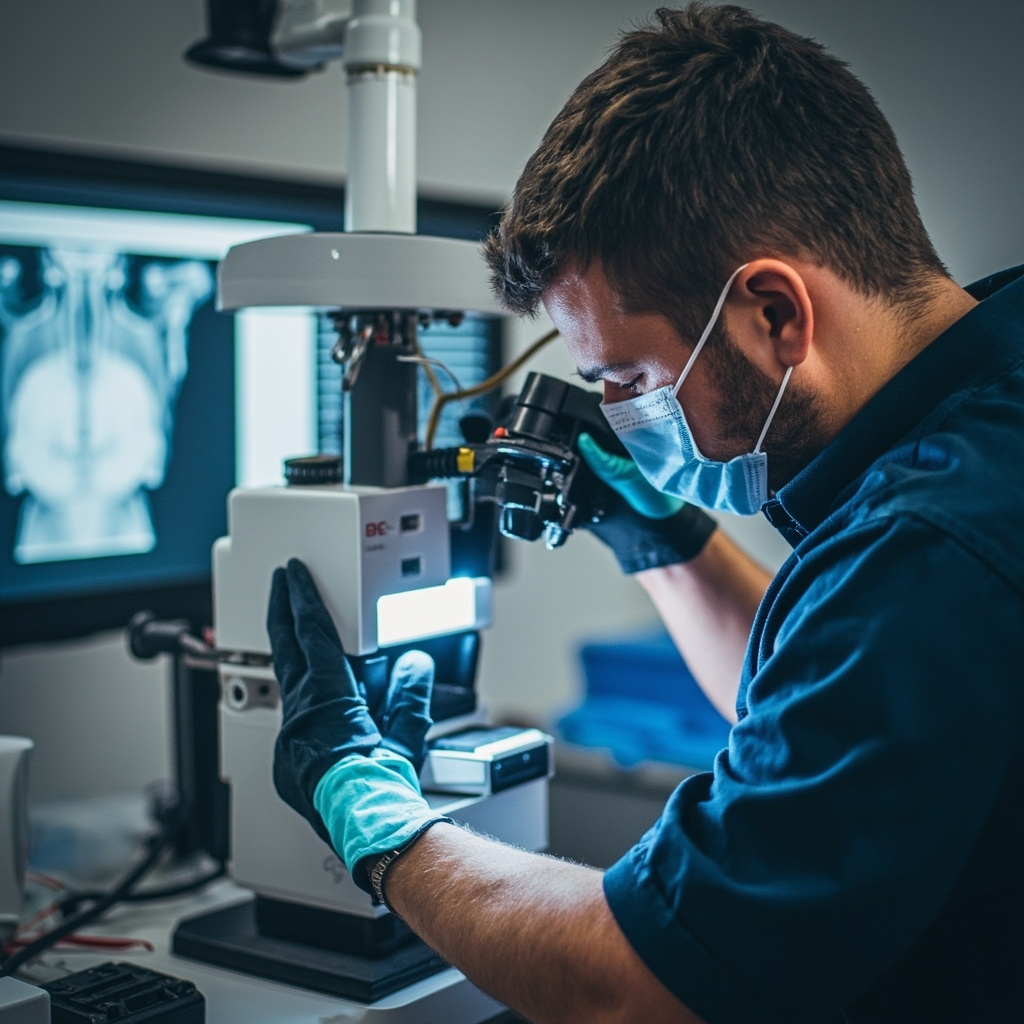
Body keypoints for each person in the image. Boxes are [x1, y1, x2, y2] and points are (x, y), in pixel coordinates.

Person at [267, 5, 1024, 1022]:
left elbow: (636, 987)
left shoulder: (925, 545)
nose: (622, 422)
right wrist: (655, 533)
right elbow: (844, 689)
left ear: (774, 313)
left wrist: (373, 819)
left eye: (626, 379)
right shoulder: (985, 415)